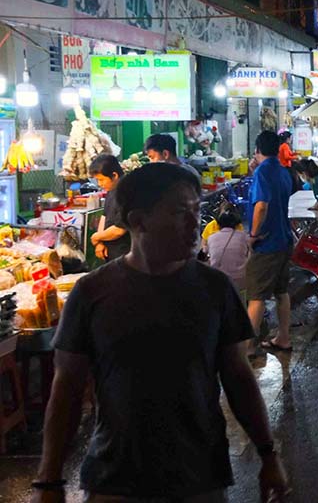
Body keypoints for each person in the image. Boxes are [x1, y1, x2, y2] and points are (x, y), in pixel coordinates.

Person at [31, 163, 288, 502]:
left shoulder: (215, 289)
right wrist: (49, 481)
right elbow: (67, 389)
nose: (195, 223)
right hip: (114, 479)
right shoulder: (92, 293)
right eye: (181, 212)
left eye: (196, 210)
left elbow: (238, 377)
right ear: (138, 221)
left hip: (200, 477)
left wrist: (269, 455)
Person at [246, 131, 295, 354]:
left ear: (257, 150)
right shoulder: (283, 171)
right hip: (284, 239)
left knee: (256, 296)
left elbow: (261, 206)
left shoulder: (263, 173)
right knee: (281, 291)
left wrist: (253, 234)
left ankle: (245, 348)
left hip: (267, 245)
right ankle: (283, 337)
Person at [88, 154, 130, 262]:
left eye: (101, 180)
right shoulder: (111, 189)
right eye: (97, 180)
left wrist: (96, 237)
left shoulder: (127, 192)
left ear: (114, 175)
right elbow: (104, 216)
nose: (99, 184)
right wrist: (100, 243)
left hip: (125, 253)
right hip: (110, 251)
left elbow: (119, 230)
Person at [207, 207, 251, 298]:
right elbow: (251, 254)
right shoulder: (243, 237)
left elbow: (204, 256)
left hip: (217, 281)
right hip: (240, 282)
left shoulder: (211, 238)